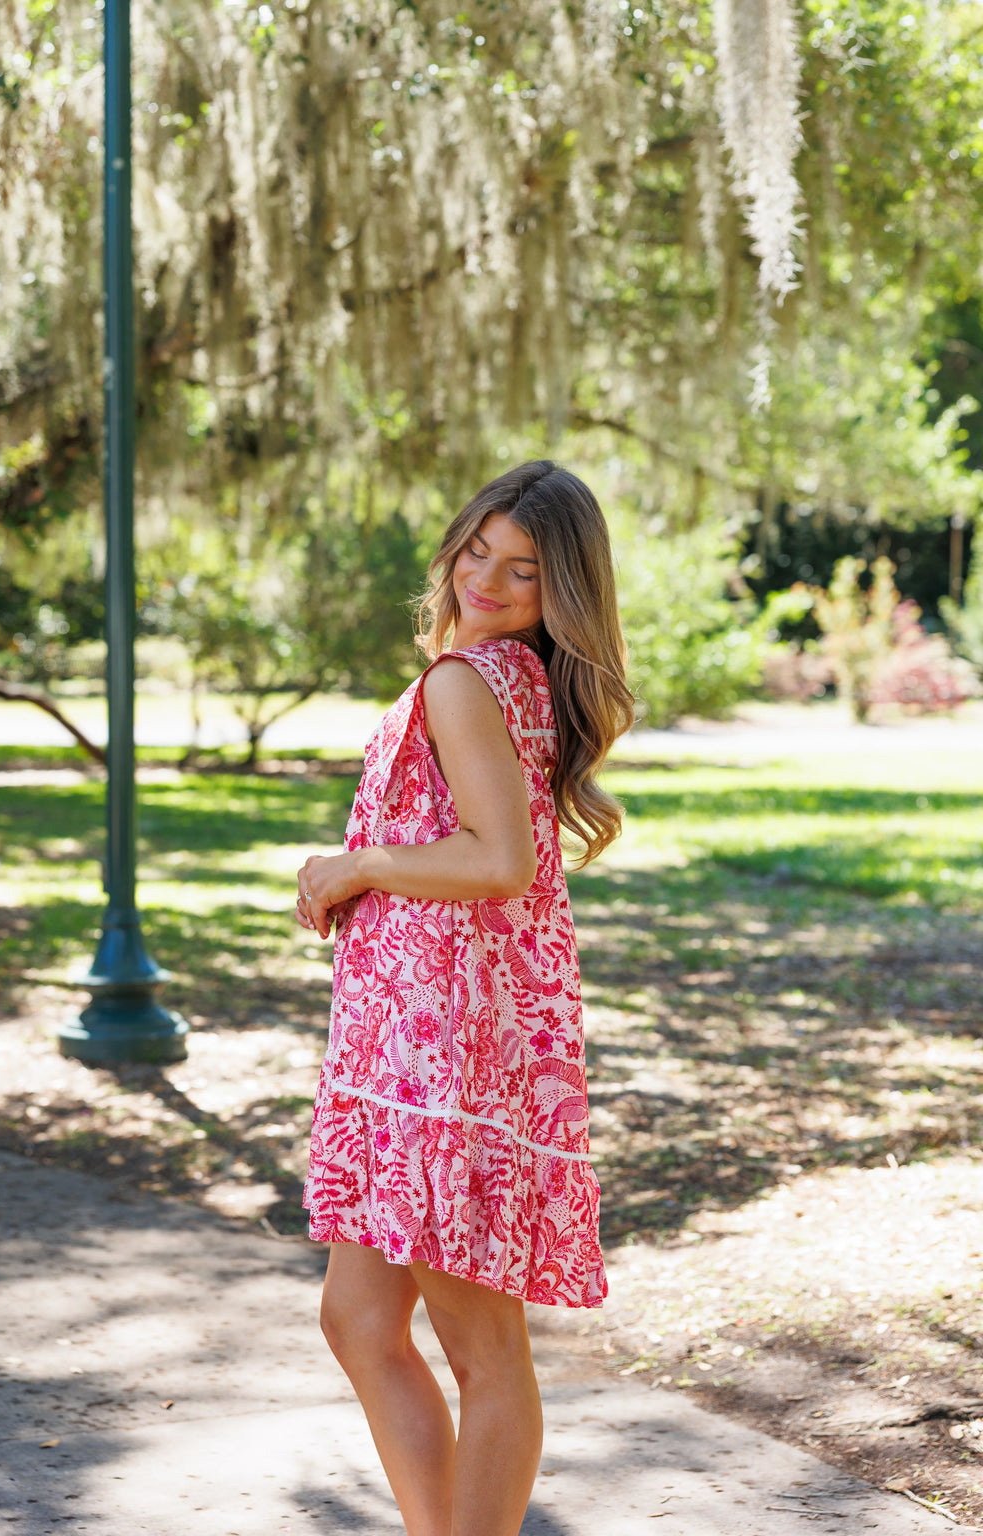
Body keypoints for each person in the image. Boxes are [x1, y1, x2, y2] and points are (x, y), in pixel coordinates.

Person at [295, 459, 634, 1536]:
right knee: (358, 1319)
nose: (486, 577)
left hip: (443, 1056)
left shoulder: (467, 681)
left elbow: (499, 861)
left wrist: (353, 866)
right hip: (410, 1045)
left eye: (523, 571)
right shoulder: (495, 673)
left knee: (483, 1348)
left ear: (561, 592)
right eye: (478, 548)